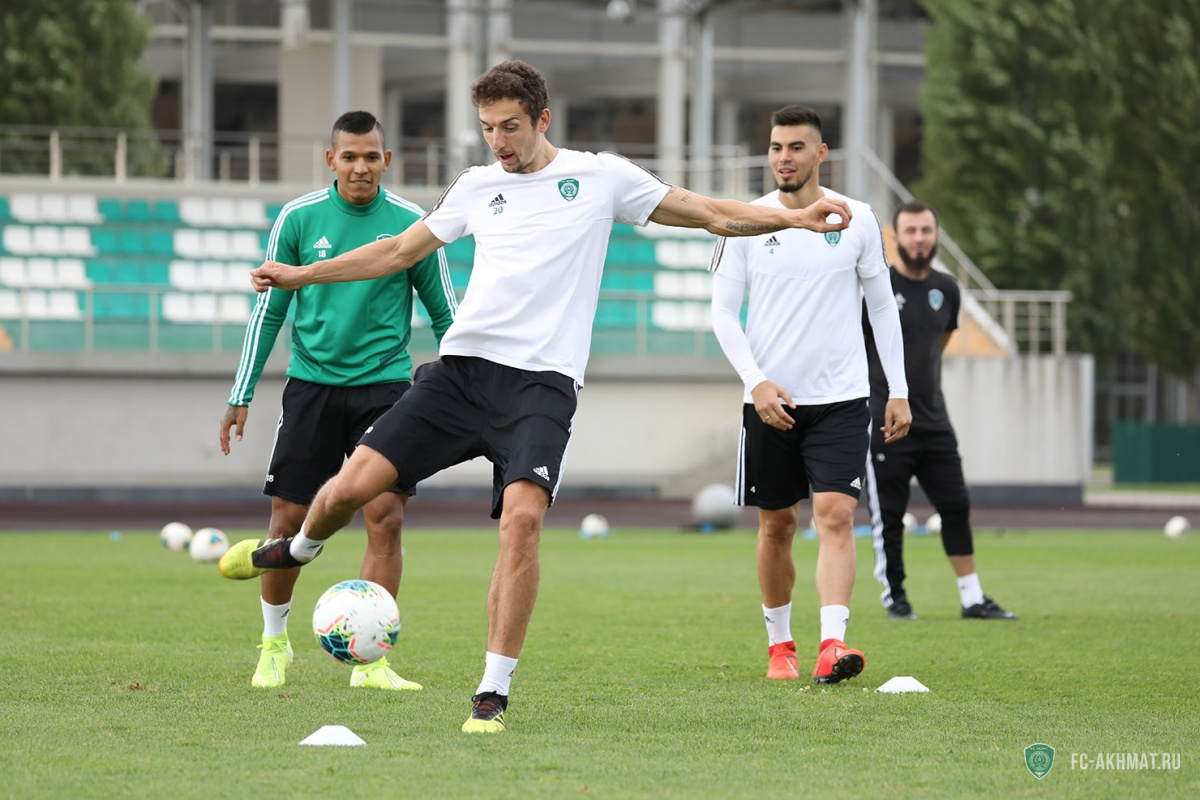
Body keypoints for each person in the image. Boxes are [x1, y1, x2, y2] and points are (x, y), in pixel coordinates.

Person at [217, 60, 852, 733]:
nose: (499, 141)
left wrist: (797, 220)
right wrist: (302, 275)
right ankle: (298, 550)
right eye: (488, 127)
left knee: (521, 522)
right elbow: (396, 253)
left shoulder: (600, 177)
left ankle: (492, 690)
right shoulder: (476, 185)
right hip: (461, 373)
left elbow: (711, 213)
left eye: (511, 127)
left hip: (541, 387)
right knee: (349, 488)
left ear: (542, 119)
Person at [218, 110, 457, 691]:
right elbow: (269, 311)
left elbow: (447, 314)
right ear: (331, 160)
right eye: (349, 156)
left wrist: (469, 385)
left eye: (371, 156)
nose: (360, 167)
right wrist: (240, 392)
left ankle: (372, 663)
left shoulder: (412, 224)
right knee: (288, 519)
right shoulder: (298, 218)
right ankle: (274, 645)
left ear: (386, 161)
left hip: (386, 388)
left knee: (386, 518)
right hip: (312, 386)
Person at [709, 105, 912, 685]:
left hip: (843, 400)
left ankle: (832, 643)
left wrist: (898, 390)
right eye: (776, 147)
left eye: (796, 147)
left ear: (821, 154)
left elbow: (882, 309)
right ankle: (781, 647)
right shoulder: (746, 221)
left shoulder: (859, 219)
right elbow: (722, 314)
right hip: (769, 403)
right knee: (776, 526)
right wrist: (756, 382)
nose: (784, 158)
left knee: (836, 516)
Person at [863, 200, 1017, 621]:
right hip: (883, 422)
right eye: (910, 231)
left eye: (926, 231)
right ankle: (896, 598)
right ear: (896, 237)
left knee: (956, 505)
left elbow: (937, 346)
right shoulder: (875, 287)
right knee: (889, 516)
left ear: (936, 236)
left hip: (934, 420)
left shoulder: (947, 289)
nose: (919, 239)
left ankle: (972, 598)